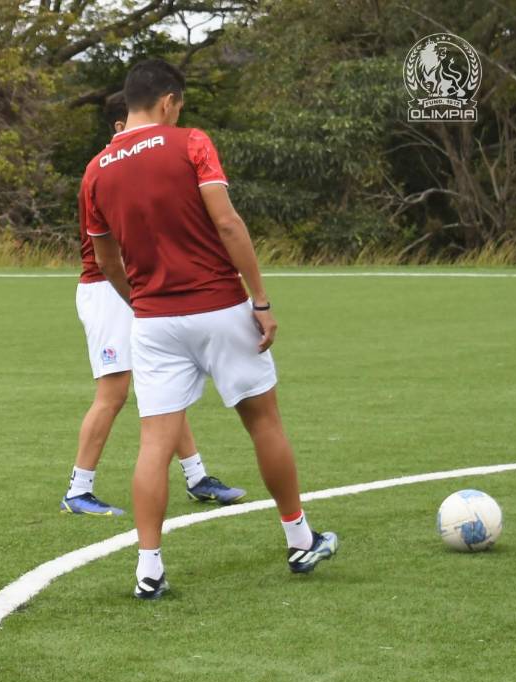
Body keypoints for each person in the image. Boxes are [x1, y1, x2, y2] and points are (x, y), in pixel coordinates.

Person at [80, 59, 338, 599]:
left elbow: (106, 263)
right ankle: (298, 537)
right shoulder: (190, 142)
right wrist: (260, 300)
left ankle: (148, 569)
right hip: (220, 305)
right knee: (263, 422)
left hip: (153, 322)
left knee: (154, 442)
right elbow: (226, 221)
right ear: (169, 101)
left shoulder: (97, 169)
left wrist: (143, 301)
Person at [63, 90, 244, 517]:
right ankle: (77, 489)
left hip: (138, 289)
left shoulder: (131, 166)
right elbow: (111, 254)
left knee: (164, 388)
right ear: (118, 126)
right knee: (114, 392)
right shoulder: (104, 171)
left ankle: (197, 477)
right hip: (108, 291)